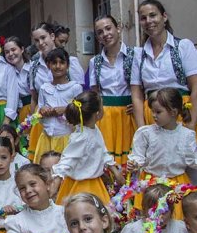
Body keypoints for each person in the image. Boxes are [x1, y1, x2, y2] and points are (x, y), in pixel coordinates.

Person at [131, 0, 197, 150]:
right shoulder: (138, 55)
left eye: (152, 15)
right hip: (153, 116)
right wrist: (142, 130)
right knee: (156, 162)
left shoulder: (183, 47)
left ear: (164, 17)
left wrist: (191, 126)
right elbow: (136, 95)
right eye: (143, 18)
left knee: (189, 160)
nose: (148, 21)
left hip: (182, 114)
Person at [127, 88, 197, 218]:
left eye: (158, 112)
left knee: (176, 219)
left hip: (177, 184)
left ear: (173, 112)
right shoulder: (145, 133)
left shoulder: (186, 134)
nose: (154, 115)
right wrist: (134, 164)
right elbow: (139, 156)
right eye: (152, 111)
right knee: (150, 221)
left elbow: (192, 160)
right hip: (151, 184)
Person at [27, 22, 85, 160]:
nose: (41, 43)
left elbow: (81, 100)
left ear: (52, 36)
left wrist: (65, 109)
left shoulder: (71, 62)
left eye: (43, 38)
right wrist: (36, 116)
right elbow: (35, 98)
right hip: (45, 125)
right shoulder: (34, 66)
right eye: (36, 40)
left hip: (67, 127)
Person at [50, 91, 119, 206]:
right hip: (81, 186)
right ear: (97, 113)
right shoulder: (82, 137)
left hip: (94, 183)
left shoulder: (94, 129)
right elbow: (67, 160)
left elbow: (102, 151)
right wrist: (56, 182)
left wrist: (115, 172)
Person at [88, 15, 138, 164]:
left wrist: (138, 104)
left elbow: (142, 86)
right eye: (100, 32)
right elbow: (95, 93)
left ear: (118, 28)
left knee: (131, 158)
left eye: (108, 28)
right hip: (106, 116)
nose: (105, 34)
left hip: (130, 114)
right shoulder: (95, 62)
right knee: (108, 159)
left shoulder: (136, 54)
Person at [33, 48, 83, 161]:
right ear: (48, 65)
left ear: (68, 65)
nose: (58, 66)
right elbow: (38, 112)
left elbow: (81, 113)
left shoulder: (75, 88)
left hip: (67, 138)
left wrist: (66, 109)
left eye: (62, 62)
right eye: (54, 63)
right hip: (47, 137)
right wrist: (42, 110)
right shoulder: (44, 88)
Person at [3, 37, 32, 124]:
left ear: (22, 49)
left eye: (13, 50)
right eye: (7, 52)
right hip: (21, 112)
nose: (10, 54)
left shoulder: (33, 68)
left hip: (37, 109)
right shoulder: (8, 72)